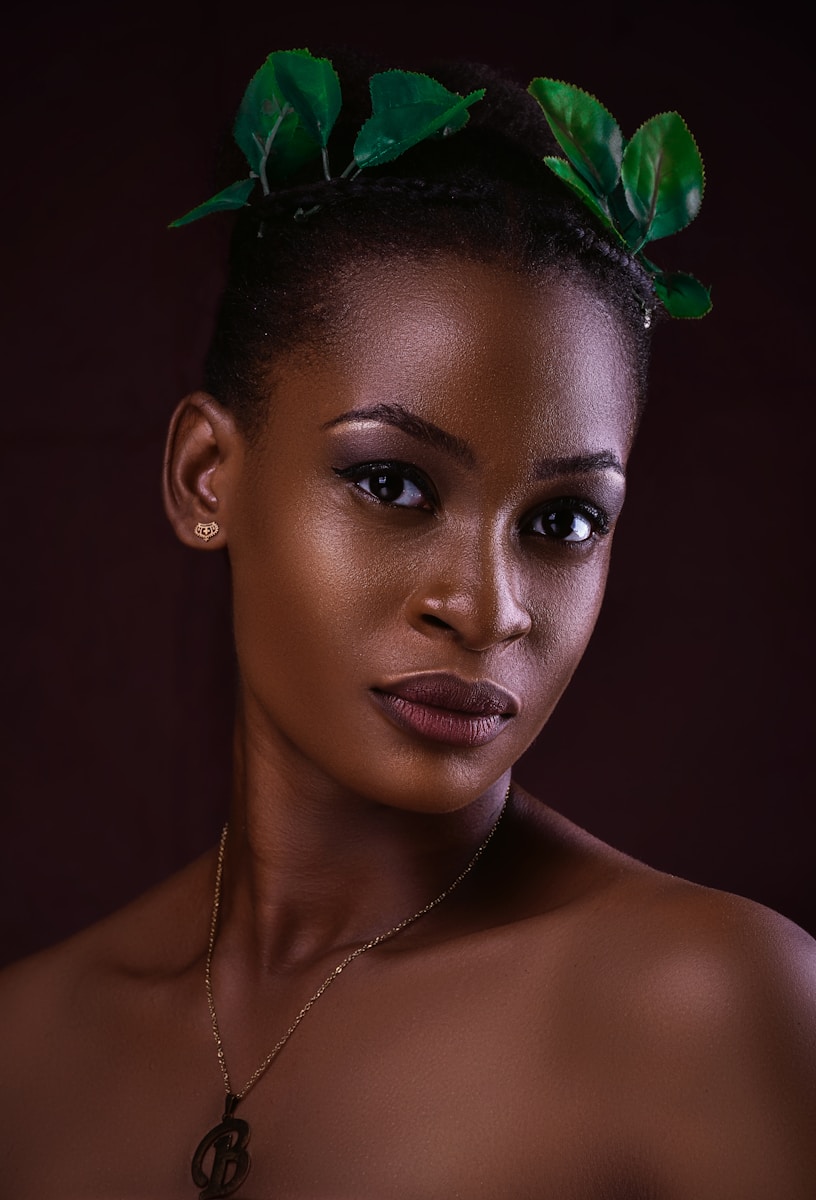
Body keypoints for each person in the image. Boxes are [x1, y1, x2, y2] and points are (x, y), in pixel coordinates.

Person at [2, 49, 814, 1200]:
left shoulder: (709, 1009)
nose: (487, 607)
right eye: (394, 484)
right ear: (204, 477)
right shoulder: (26, 1055)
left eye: (567, 518)